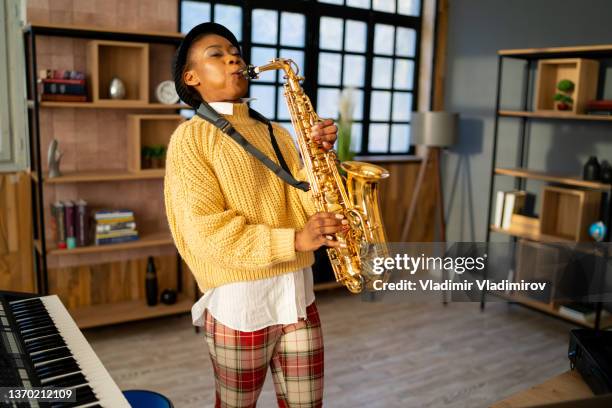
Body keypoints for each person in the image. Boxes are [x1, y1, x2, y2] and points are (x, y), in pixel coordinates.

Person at [164, 22, 345, 408]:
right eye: (216, 53)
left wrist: (321, 158)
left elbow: (305, 203)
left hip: (298, 297)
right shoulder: (189, 139)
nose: (233, 57)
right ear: (190, 77)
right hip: (240, 308)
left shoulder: (278, 133)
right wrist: (295, 239)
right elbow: (206, 232)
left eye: (236, 52)